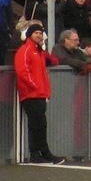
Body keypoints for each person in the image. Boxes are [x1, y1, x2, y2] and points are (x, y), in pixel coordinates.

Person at [15, 24, 65, 164]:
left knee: (39, 124)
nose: (39, 35)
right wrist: (34, 85)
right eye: (36, 33)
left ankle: (38, 153)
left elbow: (54, 61)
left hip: (39, 93)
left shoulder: (38, 52)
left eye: (40, 33)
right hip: (31, 93)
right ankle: (40, 152)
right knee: (38, 123)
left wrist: (43, 49)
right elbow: (22, 71)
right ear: (30, 35)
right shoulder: (25, 50)